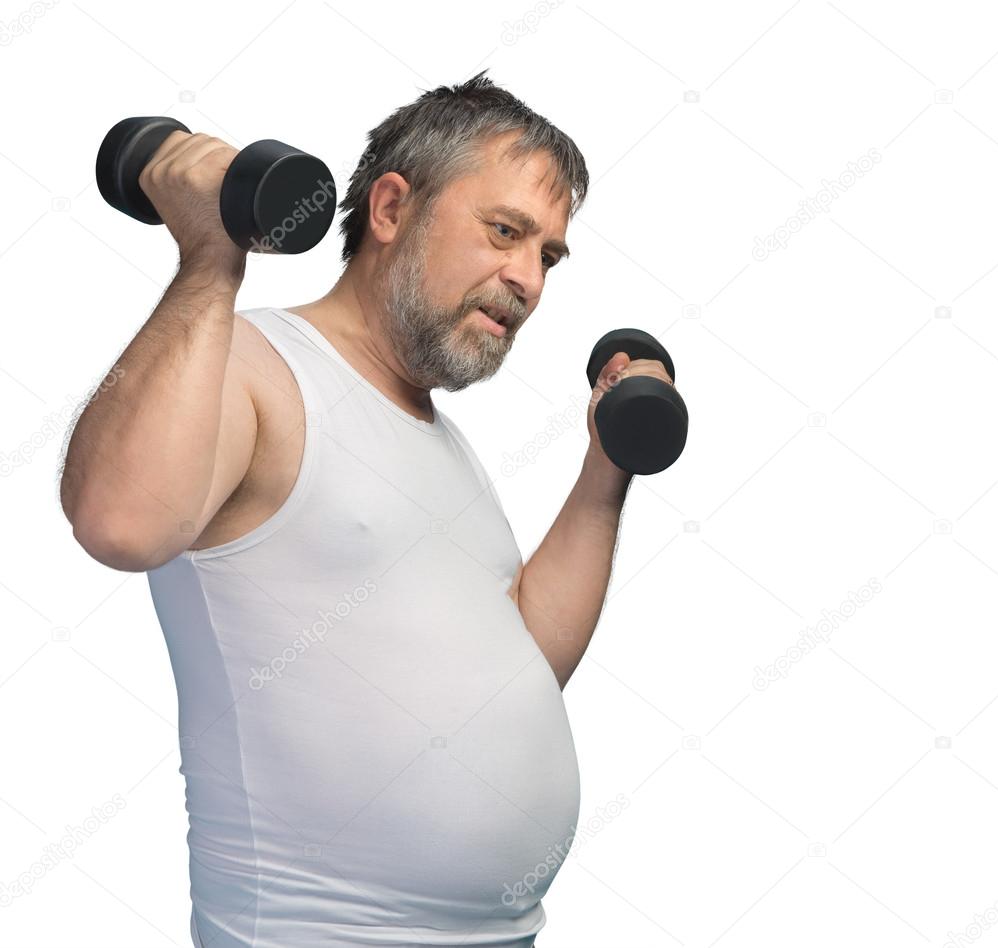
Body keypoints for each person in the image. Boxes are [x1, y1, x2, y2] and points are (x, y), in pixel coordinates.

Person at [60, 71, 673, 948]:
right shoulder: (252, 363)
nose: (528, 279)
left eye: (547, 255)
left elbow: (526, 659)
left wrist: (603, 471)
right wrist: (209, 259)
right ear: (390, 209)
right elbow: (120, 523)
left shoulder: (440, 442)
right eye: (505, 232)